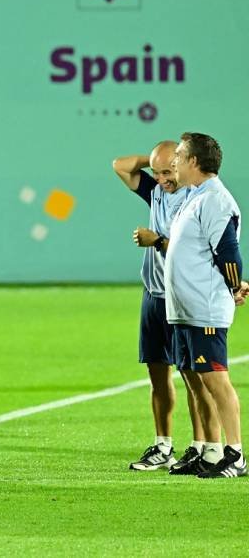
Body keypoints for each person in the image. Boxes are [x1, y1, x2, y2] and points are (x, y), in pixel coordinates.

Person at [112, 143, 216, 474]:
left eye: (168, 172)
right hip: (154, 295)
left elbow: (193, 251)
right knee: (157, 373)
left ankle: (200, 447)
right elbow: (120, 165)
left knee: (192, 376)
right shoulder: (156, 190)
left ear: (183, 165)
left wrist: (155, 240)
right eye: (156, 173)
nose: (161, 179)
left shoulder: (195, 200)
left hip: (181, 297)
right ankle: (163, 445)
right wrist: (156, 159)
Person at [165, 132, 245, 479]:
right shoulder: (195, 196)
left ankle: (236, 453)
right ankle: (211, 452)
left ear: (195, 162)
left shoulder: (214, 199)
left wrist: (233, 287)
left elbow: (227, 251)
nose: (174, 161)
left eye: (180, 155)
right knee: (196, 378)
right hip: (186, 309)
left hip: (205, 308)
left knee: (215, 378)